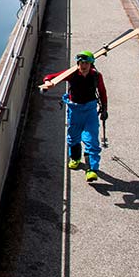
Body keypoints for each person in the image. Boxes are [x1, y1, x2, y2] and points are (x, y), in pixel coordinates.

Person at [43, 50, 108, 182]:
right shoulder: (71, 74)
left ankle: (92, 170)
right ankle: (75, 158)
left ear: (91, 65)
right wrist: (47, 82)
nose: (83, 66)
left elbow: (102, 91)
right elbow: (51, 77)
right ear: (77, 63)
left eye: (86, 63)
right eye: (81, 63)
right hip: (74, 110)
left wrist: (104, 108)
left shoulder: (96, 76)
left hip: (90, 110)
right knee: (73, 137)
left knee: (91, 139)